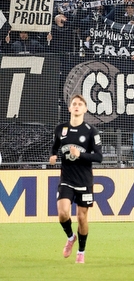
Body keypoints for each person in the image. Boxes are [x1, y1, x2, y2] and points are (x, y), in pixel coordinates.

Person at [48, 94, 103, 263]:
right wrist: (53, 156)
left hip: (84, 181)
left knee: (81, 217)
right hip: (67, 179)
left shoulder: (91, 131)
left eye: (80, 104)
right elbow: (55, 147)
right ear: (69, 108)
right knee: (63, 213)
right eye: (74, 104)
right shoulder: (61, 129)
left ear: (85, 109)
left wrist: (80, 154)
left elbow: (99, 157)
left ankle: (81, 252)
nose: (77, 106)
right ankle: (71, 237)